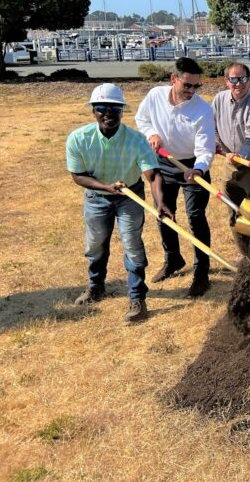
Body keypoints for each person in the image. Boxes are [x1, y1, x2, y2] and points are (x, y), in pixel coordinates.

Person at [66, 83, 172, 323]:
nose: (108, 113)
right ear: (93, 111)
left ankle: (137, 298)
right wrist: (105, 187)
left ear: (122, 111)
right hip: (96, 197)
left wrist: (160, 202)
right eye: (101, 108)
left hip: (130, 197)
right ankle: (96, 287)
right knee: (95, 245)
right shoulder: (79, 139)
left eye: (114, 108)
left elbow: (153, 175)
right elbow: (77, 175)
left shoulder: (137, 140)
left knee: (132, 245)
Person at [135, 57, 216, 297]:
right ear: (174, 79)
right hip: (163, 162)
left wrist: (199, 168)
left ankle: (202, 272)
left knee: (196, 217)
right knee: (164, 212)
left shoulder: (202, 109)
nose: (192, 91)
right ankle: (173, 259)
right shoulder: (155, 96)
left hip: (192, 166)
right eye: (187, 85)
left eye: (196, 86)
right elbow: (142, 118)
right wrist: (151, 133)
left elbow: (206, 149)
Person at [212, 62, 250, 227]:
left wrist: (240, 156)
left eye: (243, 78)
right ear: (226, 81)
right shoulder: (219, 100)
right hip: (230, 162)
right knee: (234, 211)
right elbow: (212, 127)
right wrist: (220, 148)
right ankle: (243, 250)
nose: (239, 83)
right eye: (234, 79)